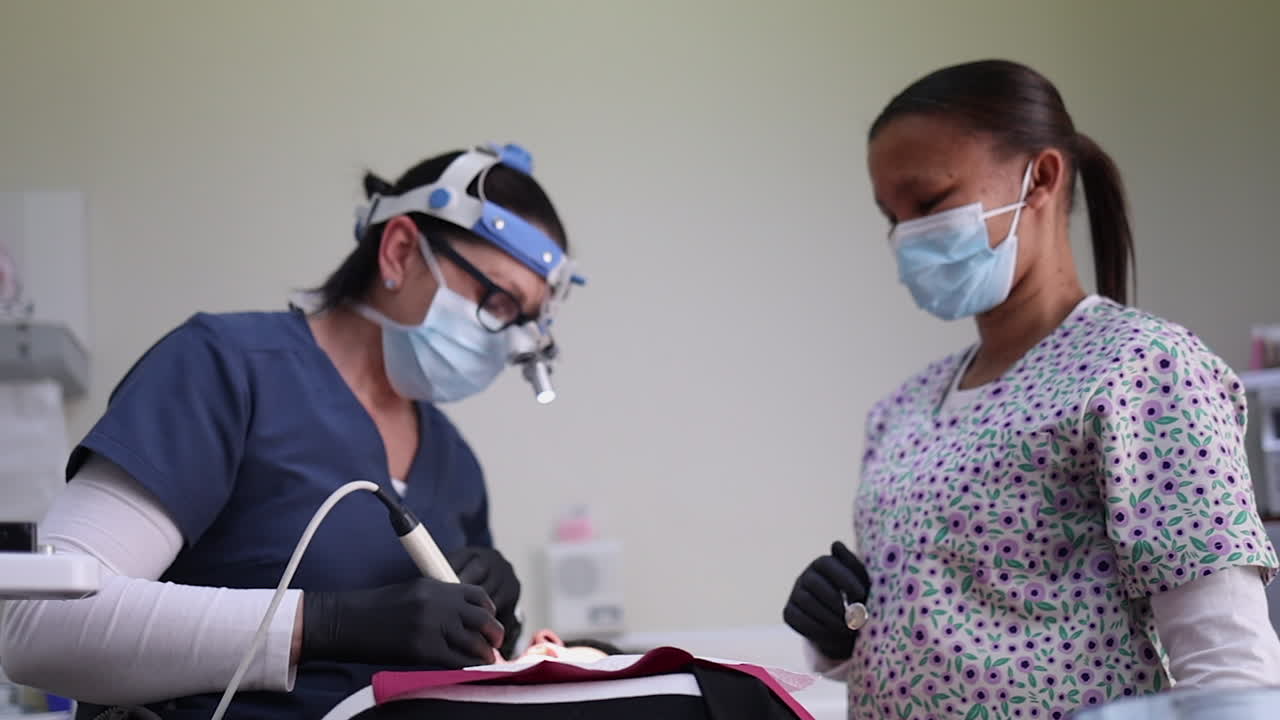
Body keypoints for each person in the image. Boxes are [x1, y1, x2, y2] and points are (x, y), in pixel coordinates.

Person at [0, 143, 582, 719]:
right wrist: (325, 624)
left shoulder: (455, 463)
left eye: (526, 322)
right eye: (499, 302)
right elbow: (41, 625)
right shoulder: (225, 370)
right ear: (401, 251)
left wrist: (496, 626)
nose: (509, 341)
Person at [782, 60, 1280, 720]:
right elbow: (936, 634)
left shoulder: (1144, 369)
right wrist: (837, 633)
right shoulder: (900, 412)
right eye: (891, 217)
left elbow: (1227, 667)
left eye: (928, 203)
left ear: (1041, 177)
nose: (907, 237)